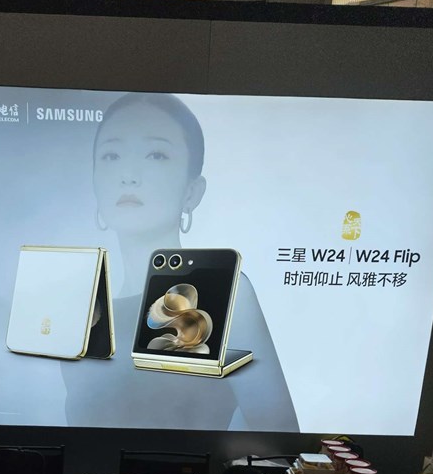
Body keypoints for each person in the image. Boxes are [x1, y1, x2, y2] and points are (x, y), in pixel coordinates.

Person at [62, 92, 299, 431]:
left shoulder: (222, 292)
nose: (128, 175)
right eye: (111, 155)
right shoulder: (83, 303)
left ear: (192, 192)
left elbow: (276, 437)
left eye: (156, 155)